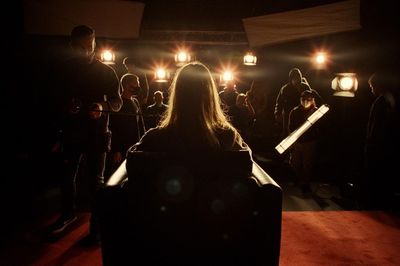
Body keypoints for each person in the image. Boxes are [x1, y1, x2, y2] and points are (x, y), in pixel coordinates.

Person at [48, 25, 122, 243]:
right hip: (71, 133)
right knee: (66, 177)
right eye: (81, 47)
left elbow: (117, 103)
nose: (86, 50)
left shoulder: (107, 71)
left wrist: (101, 106)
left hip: (97, 136)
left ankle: (96, 225)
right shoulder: (64, 70)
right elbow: (51, 100)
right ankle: (68, 214)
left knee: (95, 182)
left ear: (94, 43)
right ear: (72, 45)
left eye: (88, 46)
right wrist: (65, 106)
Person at [131, 61, 249, 153]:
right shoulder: (228, 137)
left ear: (177, 95)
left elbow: (132, 162)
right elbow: (247, 164)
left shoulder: (154, 138)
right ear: (210, 96)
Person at [361, 70, 400, 209]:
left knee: (374, 175)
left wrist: (370, 144)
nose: (371, 90)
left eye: (372, 87)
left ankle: (372, 203)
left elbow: (376, 126)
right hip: (387, 145)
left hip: (377, 146)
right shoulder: (391, 98)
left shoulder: (380, 102)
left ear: (377, 85)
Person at [107, 74, 145, 177]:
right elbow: (113, 126)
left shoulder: (135, 102)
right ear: (128, 86)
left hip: (133, 147)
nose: (138, 87)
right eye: (136, 84)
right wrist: (116, 150)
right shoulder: (118, 103)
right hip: (122, 149)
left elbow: (140, 124)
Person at [288, 90, 320, 195]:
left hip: (310, 142)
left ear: (312, 100)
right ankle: (300, 179)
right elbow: (291, 127)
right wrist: (293, 141)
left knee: (307, 164)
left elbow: (319, 128)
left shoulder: (316, 112)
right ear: (300, 99)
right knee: (295, 163)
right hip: (298, 141)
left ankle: (305, 184)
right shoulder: (295, 111)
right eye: (304, 99)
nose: (306, 101)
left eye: (308, 99)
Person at [274, 68, 321, 137]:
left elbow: (311, 98)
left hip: (303, 114)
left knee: (303, 132)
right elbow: (279, 102)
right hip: (288, 115)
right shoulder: (285, 89)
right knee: (288, 134)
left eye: (299, 77)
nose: (297, 80)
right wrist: (277, 113)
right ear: (291, 79)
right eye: (295, 78)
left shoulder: (305, 86)